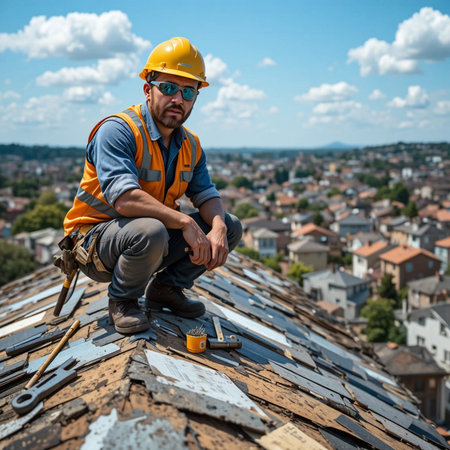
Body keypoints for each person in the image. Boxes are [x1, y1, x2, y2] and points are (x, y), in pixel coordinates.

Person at [63, 37, 242, 334]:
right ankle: (123, 300)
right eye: (169, 88)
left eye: (188, 92)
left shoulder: (191, 144)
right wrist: (184, 221)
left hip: (145, 237)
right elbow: (124, 199)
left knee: (230, 224)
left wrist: (220, 227)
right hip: (94, 242)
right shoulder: (118, 131)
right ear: (148, 90)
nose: (178, 99)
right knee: (152, 230)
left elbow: (206, 194)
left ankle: (166, 290)